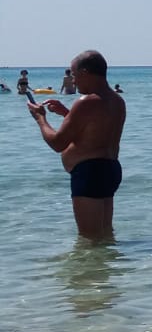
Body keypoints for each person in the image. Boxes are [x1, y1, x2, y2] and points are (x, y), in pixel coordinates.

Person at [27, 50, 126, 240]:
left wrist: (40, 118)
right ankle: (109, 268)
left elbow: (57, 143)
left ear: (85, 72)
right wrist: (67, 113)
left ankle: (90, 271)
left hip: (90, 173)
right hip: (109, 170)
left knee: (89, 241)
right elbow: (95, 131)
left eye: (73, 74)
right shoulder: (116, 100)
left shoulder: (86, 102)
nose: (72, 80)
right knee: (105, 236)